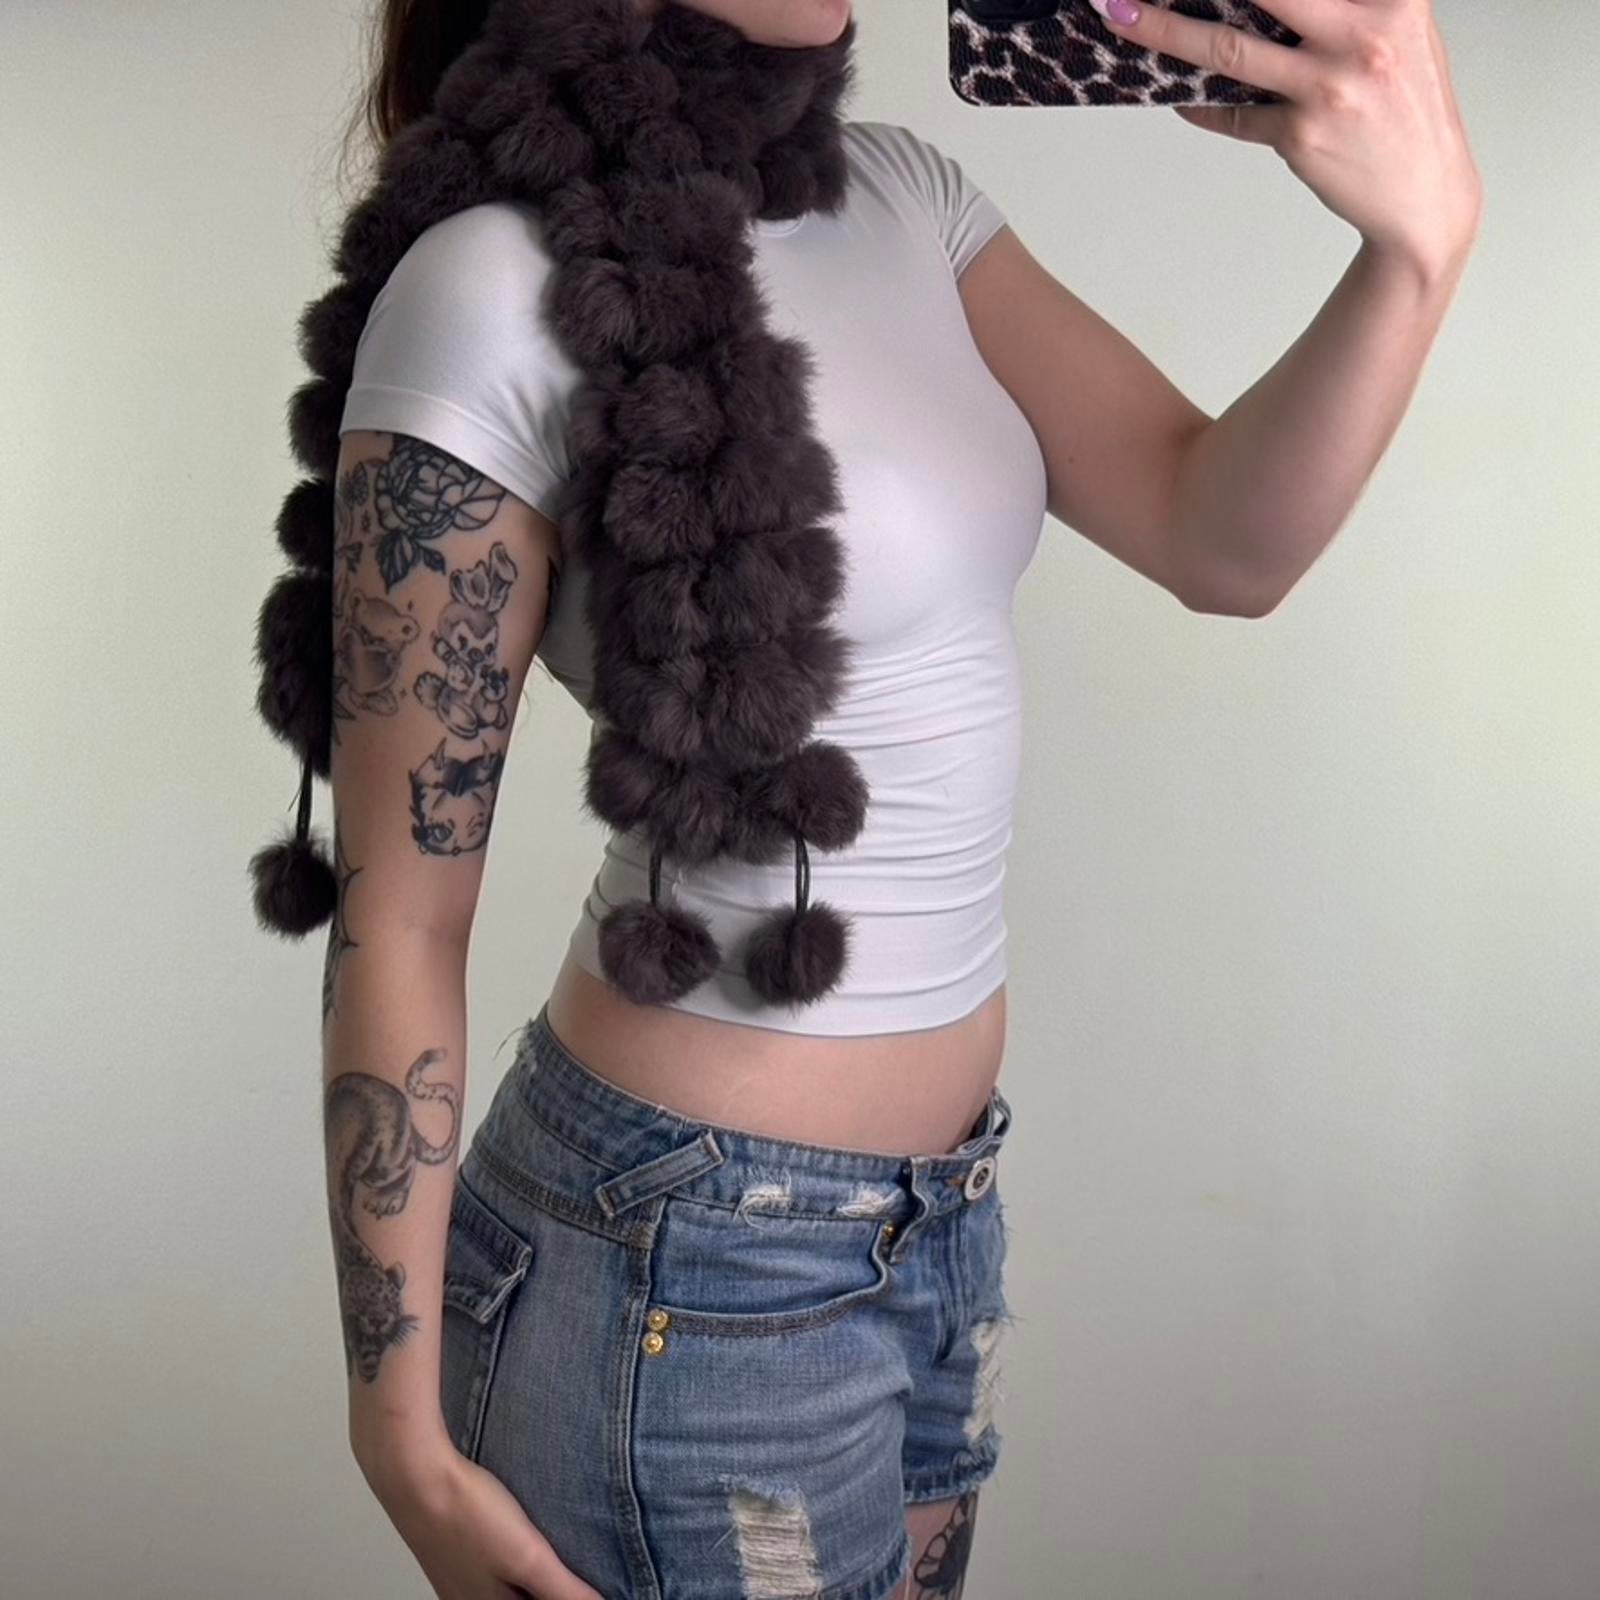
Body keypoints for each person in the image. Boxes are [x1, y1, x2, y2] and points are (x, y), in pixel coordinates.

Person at [293, 1, 1480, 1596]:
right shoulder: (487, 287)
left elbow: (1221, 538)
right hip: (687, 1260)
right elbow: (399, 914)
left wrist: (1415, 249)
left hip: (941, 1223)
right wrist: (396, 1437)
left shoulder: (906, 196)